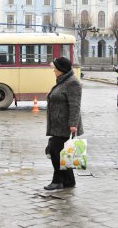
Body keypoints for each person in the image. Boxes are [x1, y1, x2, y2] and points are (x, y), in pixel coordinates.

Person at [44, 57, 83, 191]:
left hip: (66, 126)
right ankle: (69, 181)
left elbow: (75, 106)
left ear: (61, 69)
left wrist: (73, 124)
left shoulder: (72, 83)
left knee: (56, 153)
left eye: (55, 68)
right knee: (62, 153)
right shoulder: (63, 81)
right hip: (58, 125)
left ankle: (58, 181)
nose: (53, 70)